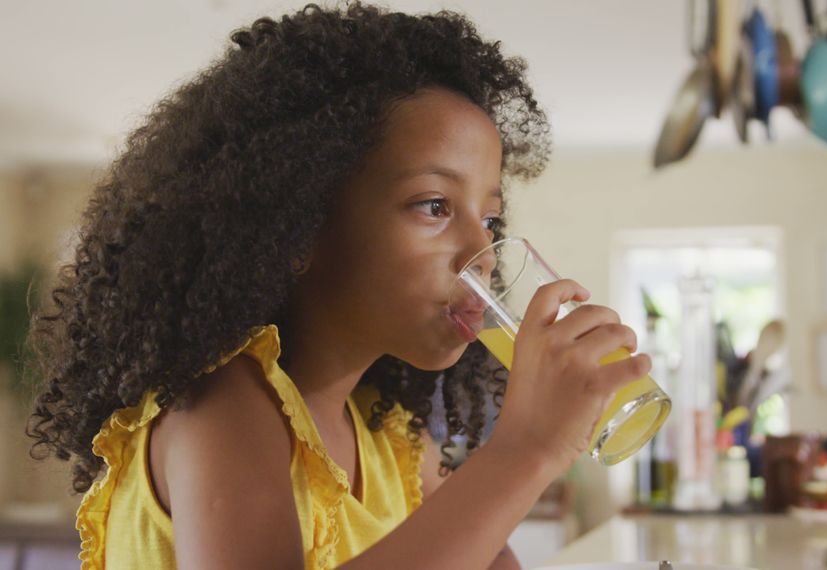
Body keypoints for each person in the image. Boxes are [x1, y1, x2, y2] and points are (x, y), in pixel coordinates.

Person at [26, 3, 649, 569]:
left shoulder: (395, 445)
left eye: (488, 218)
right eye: (434, 205)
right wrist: (529, 448)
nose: (482, 253)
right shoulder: (222, 407)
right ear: (298, 228)